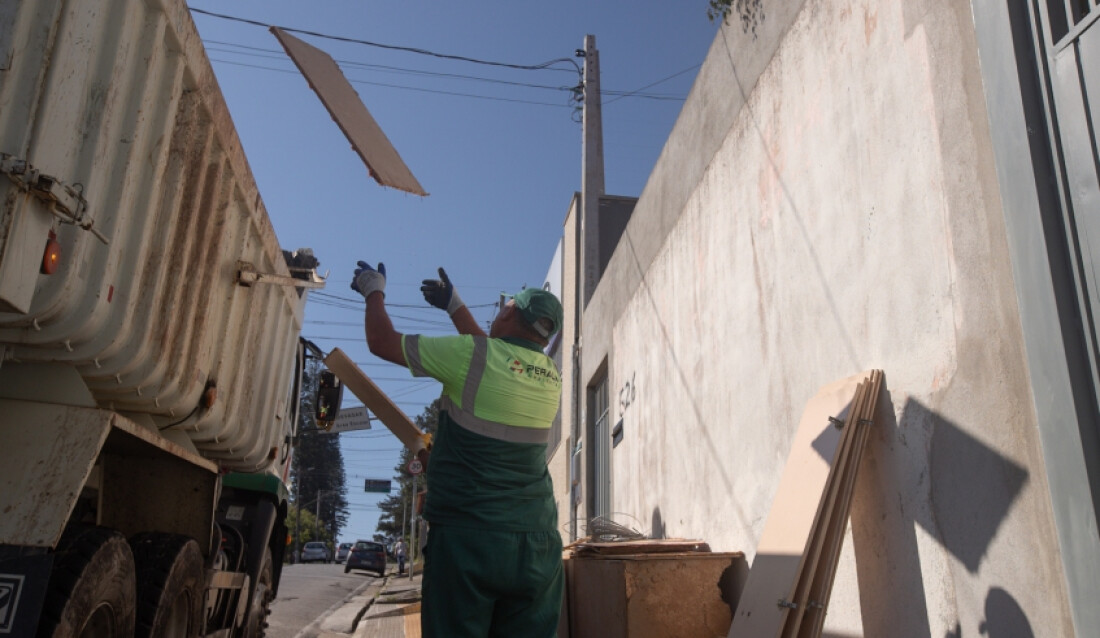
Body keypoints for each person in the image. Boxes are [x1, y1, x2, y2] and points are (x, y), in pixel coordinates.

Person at [350, 261, 564, 638]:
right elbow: (492, 355)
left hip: (469, 541)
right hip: (536, 545)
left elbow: (382, 342)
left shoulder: (470, 357)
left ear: (509, 312)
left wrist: (373, 290)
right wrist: (455, 306)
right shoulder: (550, 376)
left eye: (505, 305)